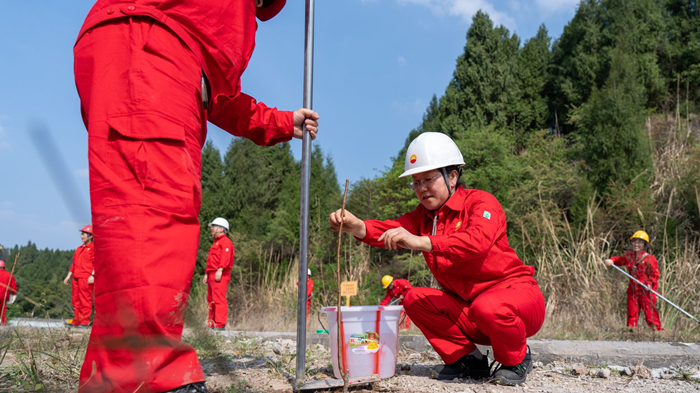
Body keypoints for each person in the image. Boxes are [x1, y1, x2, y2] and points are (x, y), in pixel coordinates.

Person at [73, 0, 320, 391]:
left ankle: (117, 369)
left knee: (149, 211)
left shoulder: (219, 22)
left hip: (169, 66)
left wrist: (281, 122)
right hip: (149, 50)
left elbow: (219, 98)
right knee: (152, 208)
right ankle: (146, 371)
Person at [329, 132, 545, 386]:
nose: (421, 188)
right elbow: (391, 229)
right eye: (415, 182)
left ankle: (517, 359)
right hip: (471, 311)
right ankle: (469, 361)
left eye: (428, 179)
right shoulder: (423, 217)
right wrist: (357, 227)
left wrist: (422, 241)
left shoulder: (481, 203)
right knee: (414, 298)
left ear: (452, 176)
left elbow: (476, 241)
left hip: (516, 301)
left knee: (488, 307)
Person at [605, 230, 663, 331]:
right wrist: (612, 260)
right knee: (632, 314)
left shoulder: (650, 258)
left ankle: (657, 332)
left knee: (650, 314)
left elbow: (655, 275)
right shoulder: (629, 256)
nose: (636, 244)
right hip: (633, 289)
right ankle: (631, 333)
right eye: (635, 241)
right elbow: (619, 260)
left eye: (640, 242)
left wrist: (649, 284)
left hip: (646, 290)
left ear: (644, 244)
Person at [203, 218, 234, 331]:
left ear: (221, 229)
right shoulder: (215, 243)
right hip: (212, 273)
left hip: (220, 274)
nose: (212, 228)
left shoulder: (226, 242)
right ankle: (212, 322)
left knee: (219, 299)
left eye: (214, 226)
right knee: (211, 299)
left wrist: (220, 270)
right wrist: (206, 273)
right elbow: (211, 260)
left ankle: (220, 325)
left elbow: (225, 258)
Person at [63, 225, 96, 328]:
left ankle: (85, 321)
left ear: (90, 236)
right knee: (75, 300)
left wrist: (93, 275)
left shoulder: (93, 248)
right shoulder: (79, 249)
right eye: (81, 234)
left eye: (83, 234)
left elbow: (96, 262)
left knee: (85, 299)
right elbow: (74, 263)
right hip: (76, 277)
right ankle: (77, 321)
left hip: (86, 277)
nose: (81, 236)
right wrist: (68, 276)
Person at [0, 260, 18, 326]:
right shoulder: (9, 275)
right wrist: (13, 295)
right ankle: (4, 324)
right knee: (3, 310)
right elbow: (14, 287)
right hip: (4, 296)